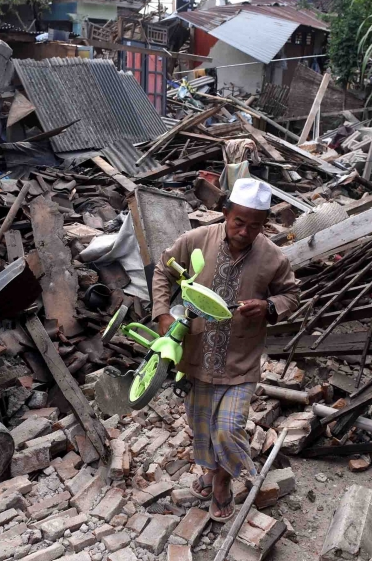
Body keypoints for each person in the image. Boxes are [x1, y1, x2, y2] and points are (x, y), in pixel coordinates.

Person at [150, 178, 300, 522]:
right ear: (225, 212)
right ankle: (211, 472)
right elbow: (163, 269)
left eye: (255, 225)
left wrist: (268, 306)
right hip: (195, 355)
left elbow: (291, 296)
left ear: (265, 225)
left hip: (240, 362)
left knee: (229, 428)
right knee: (200, 425)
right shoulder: (197, 240)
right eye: (239, 222)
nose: (245, 231)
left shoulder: (273, 258)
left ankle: (221, 483)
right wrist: (161, 313)